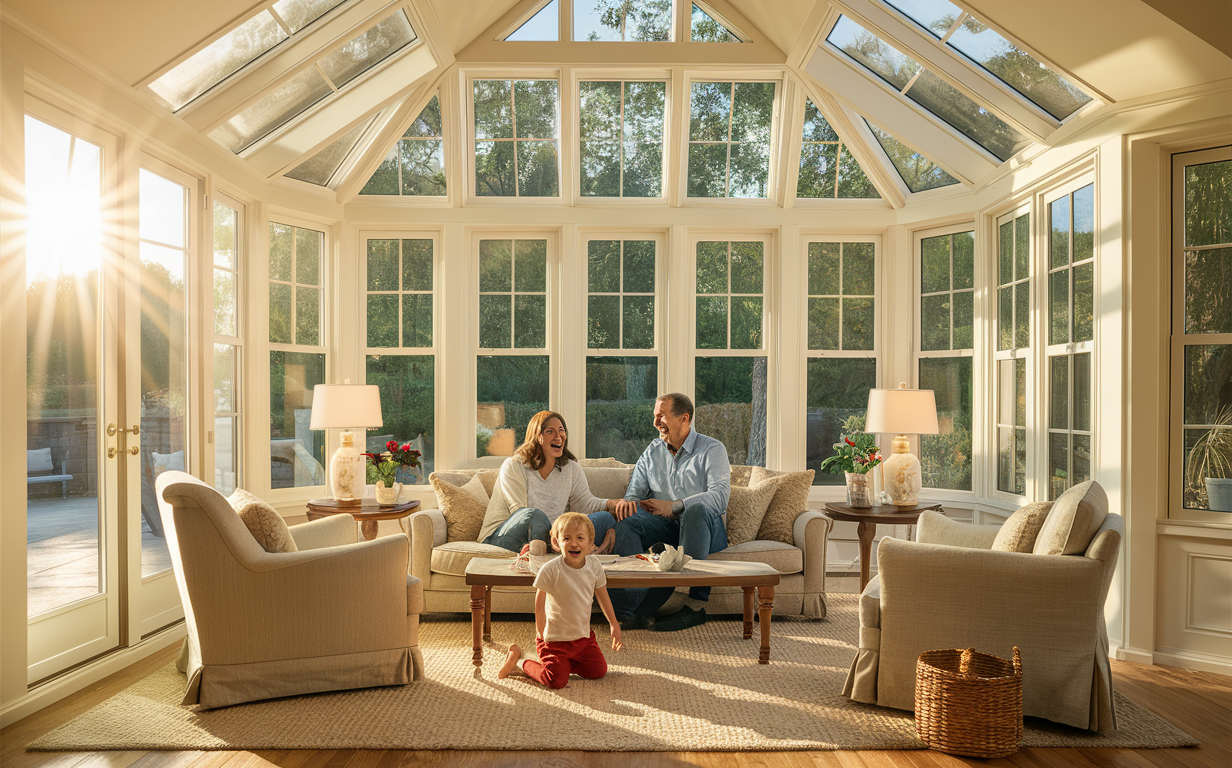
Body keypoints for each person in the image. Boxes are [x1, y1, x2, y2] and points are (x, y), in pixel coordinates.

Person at [606, 393, 731, 632]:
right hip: (665, 529)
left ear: (684, 418)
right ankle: (631, 606)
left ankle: (694, 606)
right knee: (628, 520)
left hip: (704, 528)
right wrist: (622, 514)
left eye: (661, 416)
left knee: (695, 510)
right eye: (655, 416)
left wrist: (674, 506)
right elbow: (634, 494)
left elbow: (719, 497)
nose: (656, 423)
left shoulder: (712, 449)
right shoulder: (653, 451)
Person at [498, 512, 623, 687]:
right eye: (566, 538)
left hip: (582, 638)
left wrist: (614, 624)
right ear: (556, 543)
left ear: (590, 544)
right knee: (556, 681)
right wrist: (541, 633)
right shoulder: (550, 570)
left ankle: (558, 665)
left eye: (580, 538)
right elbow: (539, 603)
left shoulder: (594, 567)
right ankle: (521, 662)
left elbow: (603, 596)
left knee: (598, 671)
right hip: (554, 639)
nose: (574, 543)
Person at [480, 410, 625, 555]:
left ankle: (632, 572)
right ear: (536, 436)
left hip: (550, 538)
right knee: (535, 516)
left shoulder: (571, 468)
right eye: (550, 431)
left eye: (561, 431)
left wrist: (610, 505)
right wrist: (557, 535)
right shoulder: (514, 466)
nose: (558, 437)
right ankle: (550, 557)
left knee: (603, 518)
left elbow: (583, 504)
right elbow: (521, 513)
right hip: (501, 536)